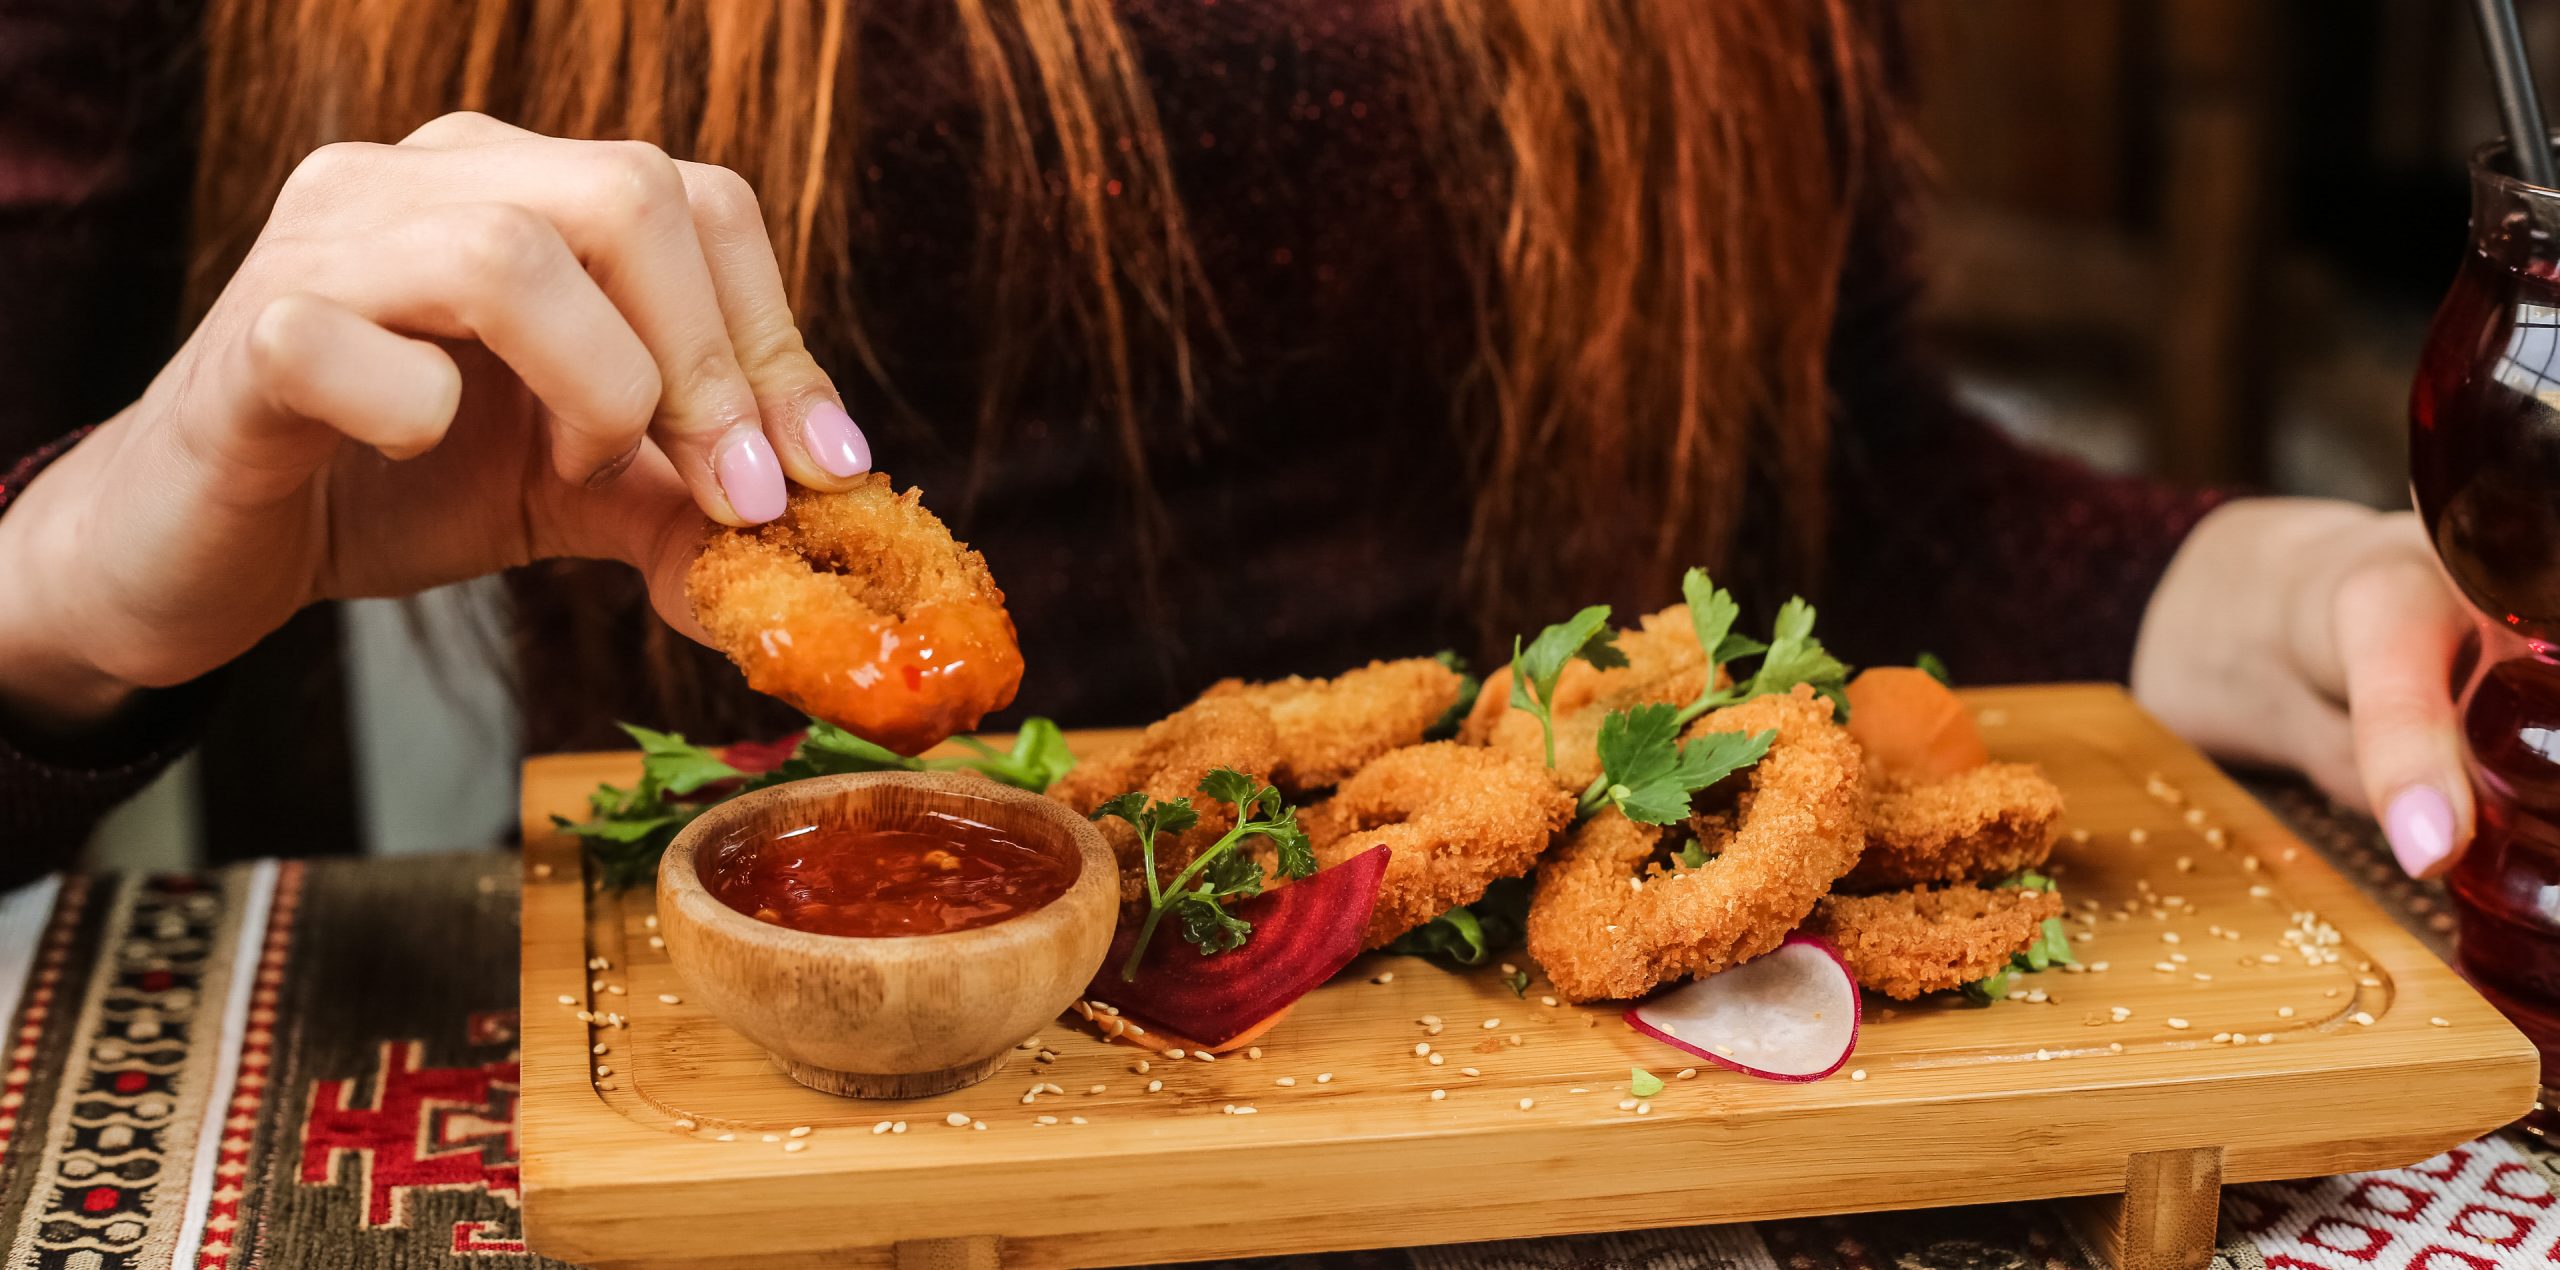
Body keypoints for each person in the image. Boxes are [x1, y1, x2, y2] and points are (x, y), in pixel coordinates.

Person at [0, 1, 2469, 883]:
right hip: (832, 1104)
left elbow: (1828, 480)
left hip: (1588, 1110)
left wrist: (2250, 585)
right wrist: (77, 582)